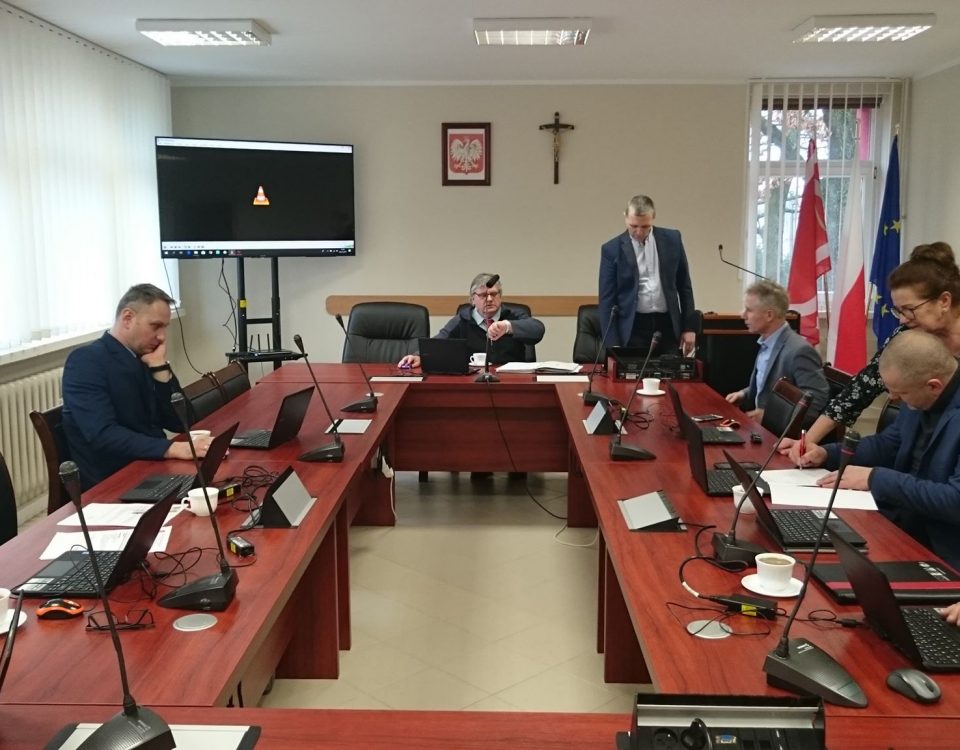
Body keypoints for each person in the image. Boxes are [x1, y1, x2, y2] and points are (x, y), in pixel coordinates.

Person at [783, 242, 959, 465]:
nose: (902, 319)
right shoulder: (906, 333)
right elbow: (857, 393)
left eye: (910, 309)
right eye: (898, 311)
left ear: (944, 301)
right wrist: (807, 443)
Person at [801, 330, 960, 570]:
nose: (893, 399)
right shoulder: (920, 394)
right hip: (896, 523)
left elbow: (955, 502)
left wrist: (875, 478)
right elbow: (887, 444)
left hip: (941, 548)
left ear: (933, 386)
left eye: (901, 393)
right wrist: (828, 454)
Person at [62, 283, 211, 490]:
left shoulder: (144, 357)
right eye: (155, 326)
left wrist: (160, 367)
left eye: (164, 328)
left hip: (151, 468)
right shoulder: (86, 361)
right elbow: (103, 434)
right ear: (127, 318)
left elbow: (182, 422)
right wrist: (171, 448)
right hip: (115, 481)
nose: (162, 337)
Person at [598, 194, 697, 357]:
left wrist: (689, 327)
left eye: (645, 226)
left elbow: (684, 286)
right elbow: (607, 300)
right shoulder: (611, 249)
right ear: (625, 218)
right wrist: (612, 345)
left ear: (653, 218)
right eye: (633, 226)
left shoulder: (673, 240)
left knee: (670, 371)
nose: (638, 232)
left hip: (667, 325)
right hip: (633, 326)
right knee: (634, 372)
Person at [724, 279, 829, 421]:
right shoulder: (766, 342)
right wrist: (744, 394)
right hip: (756, 425)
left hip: (777, 432)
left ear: (769, 315)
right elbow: (767, 386)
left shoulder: (800, 350)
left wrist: (770, 416)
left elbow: (816, 400)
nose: (742, 315)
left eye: (749, 310)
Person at [397, 273, 544, 368]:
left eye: (494, 294)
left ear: (500, 296)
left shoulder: (512, 315)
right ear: (472, 299)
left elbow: (537, 329)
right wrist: (418, 356)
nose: (489, 299)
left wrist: (507, 326)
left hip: (511, 381)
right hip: (473, 381)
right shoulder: (463, 319)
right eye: (483, 295)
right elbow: (439, 342)